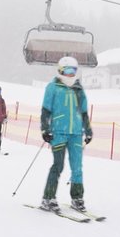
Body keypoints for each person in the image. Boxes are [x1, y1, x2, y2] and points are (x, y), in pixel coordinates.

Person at [39, 56, 93, 212]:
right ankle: (48, 198)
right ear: (61, 71)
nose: (70, 74)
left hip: (76, 133)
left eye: (73, 71)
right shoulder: (53, 87)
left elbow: (83, 112)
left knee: (77, 167)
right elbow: (46, 111)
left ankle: (77, 198)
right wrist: (45, 129)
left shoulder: (78, 89)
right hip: (59, 132)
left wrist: (87, 130)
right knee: (58, 165)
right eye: (67, 71)